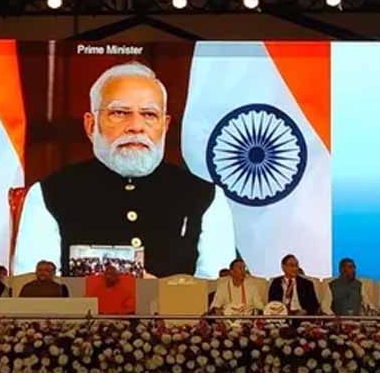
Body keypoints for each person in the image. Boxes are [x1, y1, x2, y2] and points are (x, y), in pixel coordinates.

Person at [14, 62, 236, 278]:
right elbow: (36, 291)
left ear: (165, 126)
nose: (136, 127)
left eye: (149, 114)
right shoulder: (49, 194)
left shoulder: (206, 197)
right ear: (91, 125)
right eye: (119, 113)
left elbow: (217, 291)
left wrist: (160, 294)